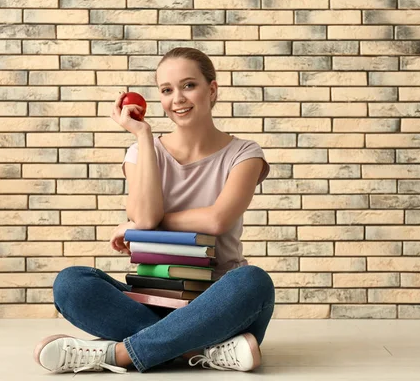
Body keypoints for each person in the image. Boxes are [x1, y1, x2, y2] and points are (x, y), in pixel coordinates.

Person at [33, 47, 275, 374]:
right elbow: (145, 218)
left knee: (253, 282)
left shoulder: (244, 153)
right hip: (152, 300)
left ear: (212, 89)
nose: (178, 98)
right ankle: (199, 350)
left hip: (219, 305)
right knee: (71, 283)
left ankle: (115, 355)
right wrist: (143, 135)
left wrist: (138, 227)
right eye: (166, 90)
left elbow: (217, 220)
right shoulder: (142, 151)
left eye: (189, 85)